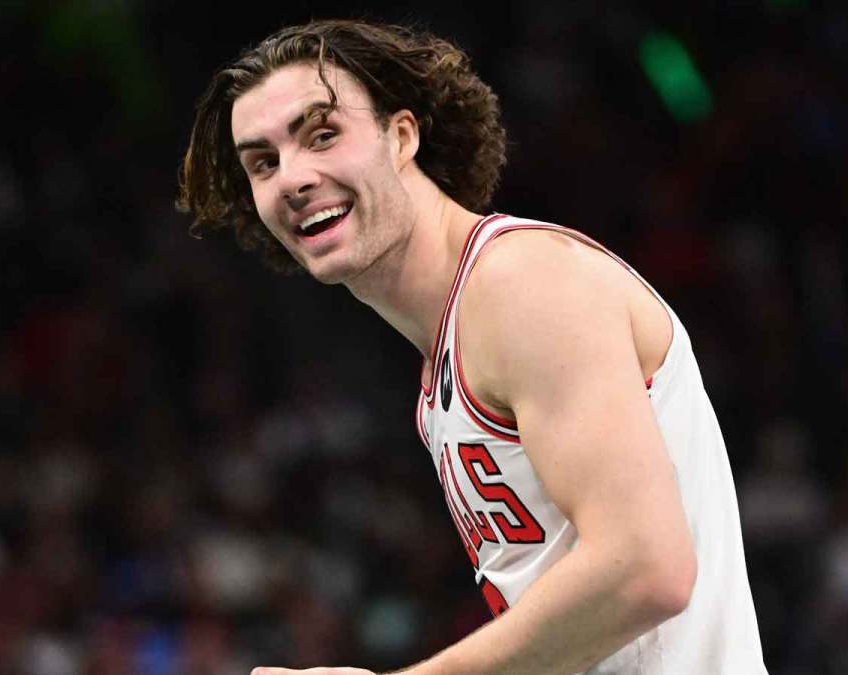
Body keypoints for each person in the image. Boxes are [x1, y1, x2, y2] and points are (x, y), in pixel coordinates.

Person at [178, 19, 767, 675]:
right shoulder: (445, 367)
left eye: (322, 134)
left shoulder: (522, 282)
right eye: (264, 163)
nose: (292, 177)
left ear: (402, 136)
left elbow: (647, 569)